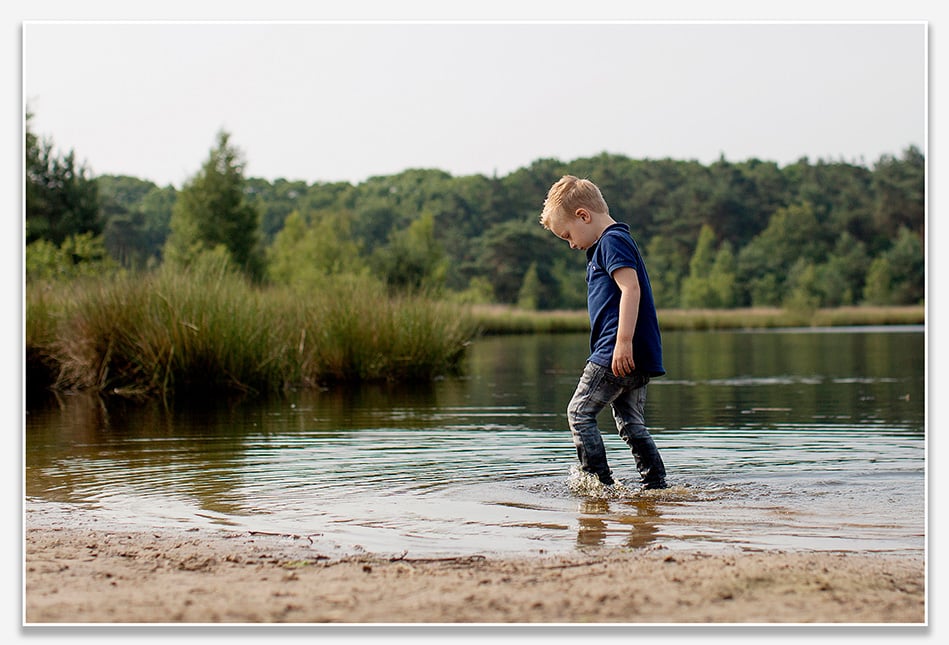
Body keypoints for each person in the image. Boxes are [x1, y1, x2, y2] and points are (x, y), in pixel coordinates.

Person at [539, 175, 668, 490]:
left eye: (568, 234)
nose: (571, 244)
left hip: (615, 351)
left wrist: (622, 343)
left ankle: (599, 485)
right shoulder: (613, 242)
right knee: (631, 423)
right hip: (636, 354)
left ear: (583, 215)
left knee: (579, 412)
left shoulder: (611, 241)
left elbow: (630, 288)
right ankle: (655, 487)